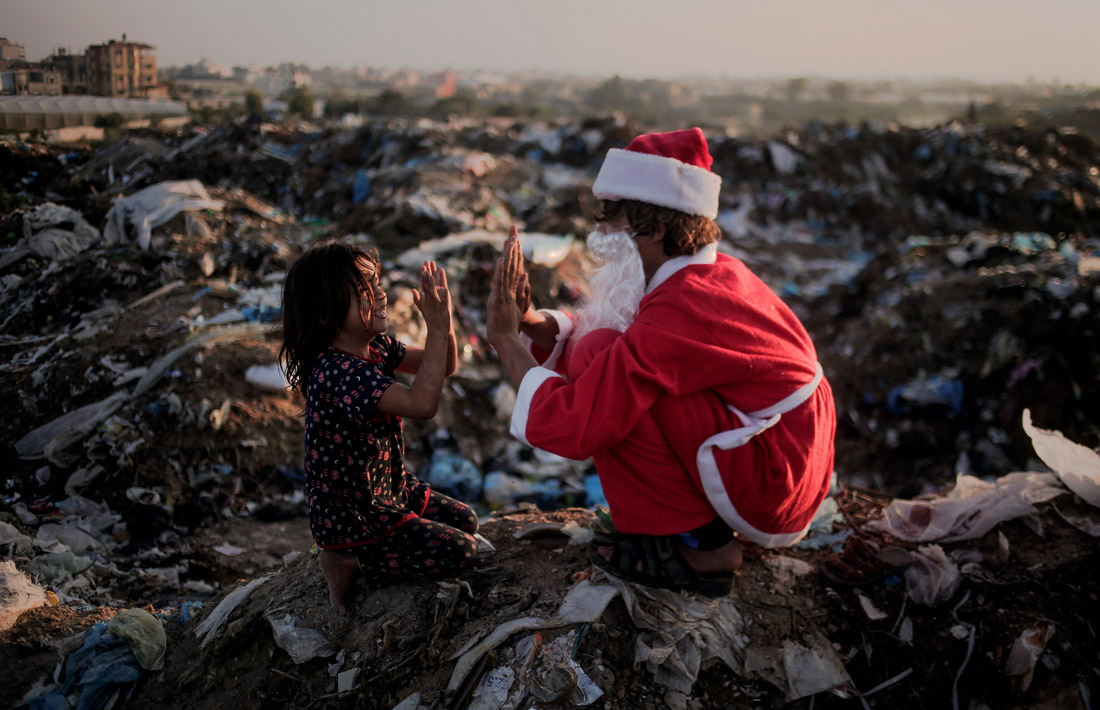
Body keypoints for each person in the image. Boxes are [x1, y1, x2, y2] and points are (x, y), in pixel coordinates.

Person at [486, 128, 836, 597]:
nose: (600, 235)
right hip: (780, 451)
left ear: (652, 228)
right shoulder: (702, 273)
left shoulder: (681, 304)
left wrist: (505, 340)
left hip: (777, 476)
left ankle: (706, 548)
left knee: (611, 389)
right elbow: (605, 340)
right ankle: (682, 530)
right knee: (600, 352)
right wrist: (529, 321)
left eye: (613, 222)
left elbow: (582, 424)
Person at [281, 241, 478, 613]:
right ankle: (346, 562)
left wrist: (443, 323)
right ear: (326, 314)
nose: (380, 294)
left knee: (466, 519)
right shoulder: (338, 372)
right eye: (363, 291)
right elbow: (423, 404)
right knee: (462, 552)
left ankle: (383, 542)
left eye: (377, 282)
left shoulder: (376, 348)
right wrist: (434, 330)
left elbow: (444, 365)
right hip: (358, 517)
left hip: (390, 490)